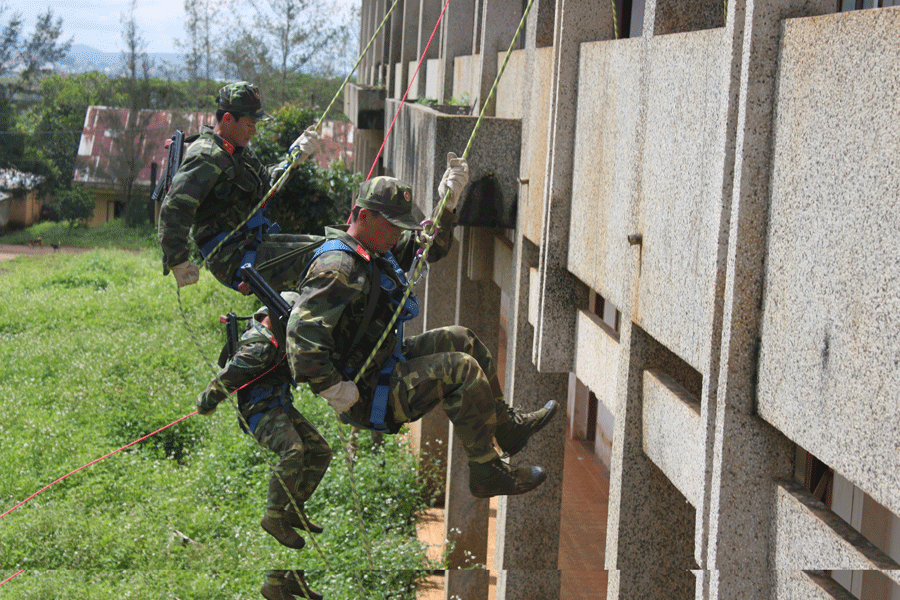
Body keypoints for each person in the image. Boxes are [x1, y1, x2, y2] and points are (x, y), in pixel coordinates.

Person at [285, 156, 558, 498]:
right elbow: (300, 339)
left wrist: (448, 202)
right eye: (393, 226)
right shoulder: (338, 267)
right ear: (364, 216)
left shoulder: (372, 250)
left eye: (402, 226)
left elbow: (428, 249)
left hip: (384, 363)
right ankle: (485, 469)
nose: (399, 234)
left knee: (463, 339)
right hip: (368, 394)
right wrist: (334, 390)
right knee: (461, 370)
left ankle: (506, 428)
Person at [196, 292, 333, 554]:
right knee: (293, 451)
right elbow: (227, 378)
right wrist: (206, 402)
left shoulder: (280, 340)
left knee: (321, 451)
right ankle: (273, 517)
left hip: (279, 404)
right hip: (259, 412)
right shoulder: (259, 347)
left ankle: (294, 507)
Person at [157, 81, 321, 290]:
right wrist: (178, 260)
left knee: (330, 247)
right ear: (227, 119)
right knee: (325, 260)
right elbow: (174, 209)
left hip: (251, 242)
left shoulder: (236, 151)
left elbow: (266, 184)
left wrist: (294, 158)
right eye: (249, 124)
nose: (253, 132)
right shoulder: (207, 156)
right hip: (232, 257)